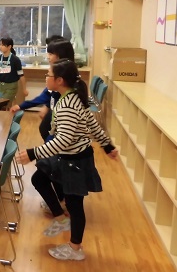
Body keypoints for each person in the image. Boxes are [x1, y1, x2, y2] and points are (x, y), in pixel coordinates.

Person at [15, 59, 118, 261]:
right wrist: (107, 145)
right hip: (68, 156)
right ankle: (61, 219)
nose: (46, 77)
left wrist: (33, 153)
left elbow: (63, 140)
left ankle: (75, 248)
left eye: (48, 75)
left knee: (74, 204)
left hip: (75, 161)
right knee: (39, 179)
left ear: (59, 80)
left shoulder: (68, 105)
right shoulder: (69, 97)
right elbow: (92, 123)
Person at [10, 37, 75, 141]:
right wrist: (22, 105)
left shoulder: (69, 88)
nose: (47, 57)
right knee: (45, 129)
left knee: (50, 134)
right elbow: (46, 95)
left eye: (50, 54)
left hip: (61, 126)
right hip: (54, 114)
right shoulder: (57, 76)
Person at [0, 37, 28, 106]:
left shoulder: (15, 60)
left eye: (3, 45)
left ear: (9, 47)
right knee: (4, 104)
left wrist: (24, 89)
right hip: (0, 85)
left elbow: (21, 75)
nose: (0, 47)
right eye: (0, 45)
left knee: (3, 104)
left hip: (11, 86)